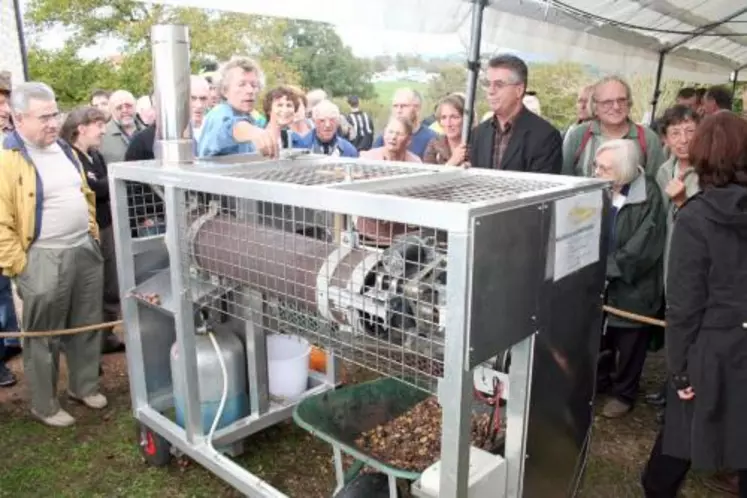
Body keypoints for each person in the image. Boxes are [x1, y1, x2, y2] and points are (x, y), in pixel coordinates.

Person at [641, 111, 747, 498]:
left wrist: (679, 370)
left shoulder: (695, 217)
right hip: (725, 342)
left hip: (710, 349)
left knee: (669, 461)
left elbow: (683, 306)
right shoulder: (698, 213)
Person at [0, 82, 106, 427]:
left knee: (86, 322)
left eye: (55, 113)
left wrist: (90, 233)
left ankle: (83, 386)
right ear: (18, 119)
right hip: (42, 258)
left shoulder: (64, 147)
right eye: (44, 117)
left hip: (82, 250)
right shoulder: (6, 160)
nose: (53, 122)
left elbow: (84, 193)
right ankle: (44, 405)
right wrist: (21, 267)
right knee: (42, 335)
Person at [594, 139, 666, 419]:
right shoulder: (599, 189)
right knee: (601, 337)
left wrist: (607, 268)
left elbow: (642, 249)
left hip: (634, 287)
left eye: (605, 168)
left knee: (630, 343)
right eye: (597, 166)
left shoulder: (648, 196)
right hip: (602, 282)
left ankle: (624, 393)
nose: (597, 172)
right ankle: (600, 381)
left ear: (624, 171)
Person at [61, 107, 126, 355]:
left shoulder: (95, 156)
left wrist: (107, 182)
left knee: (110, 285)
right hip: (88, 231)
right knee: (89, 291)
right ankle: (84, 347)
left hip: (106, 226)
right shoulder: (69, 156)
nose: (103, 130)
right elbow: (94, 188)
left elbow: (101, 185)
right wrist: (115, 179)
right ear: (81, 128)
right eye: (98, 125)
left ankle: (104, 337)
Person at [470, 54, 563, 173]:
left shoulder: (545, 137)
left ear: (519, 90)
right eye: (488, 84)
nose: (490, 91)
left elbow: (543, 187)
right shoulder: (478, 134)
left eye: (499, 85)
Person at [562, 76, 665, 179]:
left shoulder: (648, 139)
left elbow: (655, 185)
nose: (616, 107)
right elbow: (564, 181)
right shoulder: (577, 135)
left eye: (621, 100)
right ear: (595, 107)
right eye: (607, 102)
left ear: (629, 104)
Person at [357, 116, 421, 246]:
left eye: (399, 134)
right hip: (369, 234)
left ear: (408, 140)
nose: (393, 137)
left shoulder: (416, 163)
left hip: (403, 238)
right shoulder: (367, 158)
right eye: (390, 132)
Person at [197, 57, 277, 158]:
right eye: (242, 84)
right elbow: (229, 126)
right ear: (225, 90)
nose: (250, 90)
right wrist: (255, 133)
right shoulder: (219, 113)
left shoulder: (253, 120)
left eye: (254, 85)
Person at [372, 88, 437, 159]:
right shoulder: (385, 138)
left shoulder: (431, 138)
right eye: (395, 106)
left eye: (403, 106)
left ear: (417, 108)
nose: (398, 111)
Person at [423, 93, 470, 166]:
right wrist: (452, 162)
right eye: (443, 118)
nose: (448, 124)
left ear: (466, 119)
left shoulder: (476, 144)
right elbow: (427, 175)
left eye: (454, 117)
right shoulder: (435, 144)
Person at [100, 90, 144, 164]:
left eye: (128, 106)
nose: (125, 110)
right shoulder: (101, 135)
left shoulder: (150, 133)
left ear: (136, 107)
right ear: (111, 110)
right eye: (119, 107)